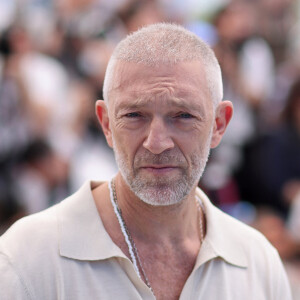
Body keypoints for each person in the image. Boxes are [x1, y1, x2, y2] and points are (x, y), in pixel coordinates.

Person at [0, 23, 292, 300]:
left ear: (218, 124)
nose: (157, 142)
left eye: (183, 116)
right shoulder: (27, 258)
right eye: (134, 115)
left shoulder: (257, 264)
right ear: (106, 124)